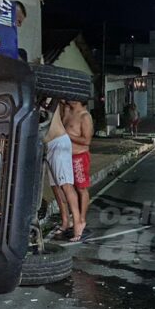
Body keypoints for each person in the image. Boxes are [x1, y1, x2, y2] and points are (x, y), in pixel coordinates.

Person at [44, 102, 85, 242]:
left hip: (58, 144)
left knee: (66, 185)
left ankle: (78, 222)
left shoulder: (47, 97)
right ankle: (66, 221)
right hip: (48, 146)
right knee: (55, 186)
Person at [64, 100, 94, 238]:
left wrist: (67, 135)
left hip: (79, 156)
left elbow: (87, 140)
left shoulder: (84, 116)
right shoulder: (67, 111)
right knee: (68, 187)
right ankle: (70, 219)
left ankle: (81, 219)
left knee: (81, 188)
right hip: (66, 155)